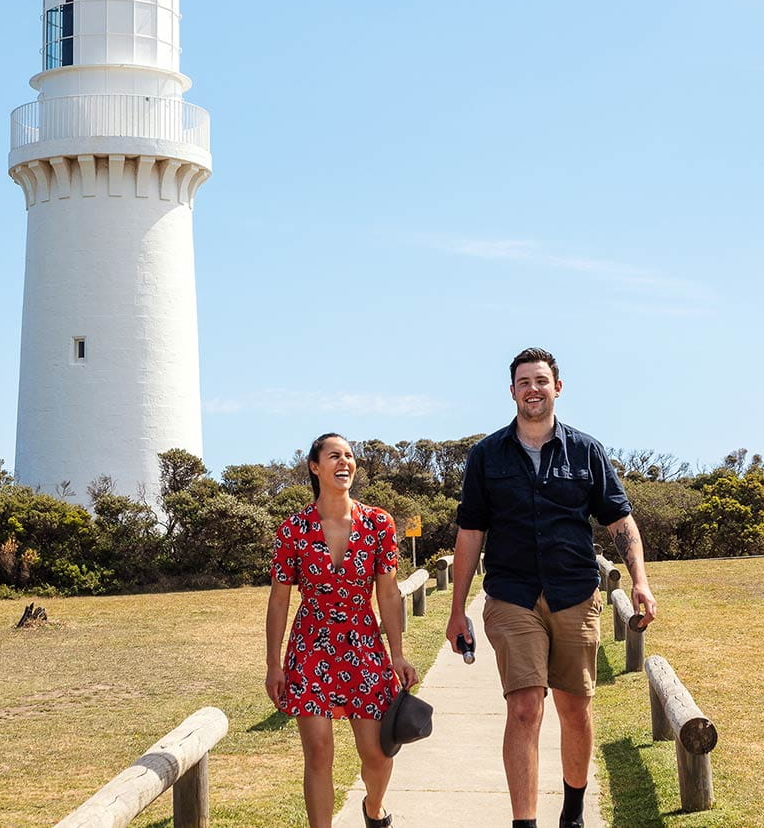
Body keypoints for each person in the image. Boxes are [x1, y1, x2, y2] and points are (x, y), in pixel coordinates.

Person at [445, 347, 656, 828]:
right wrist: (458, 610)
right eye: (524, 382)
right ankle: (525, 823)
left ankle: (574, 811)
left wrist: (640, 581)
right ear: (512, 391)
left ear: (557, 387)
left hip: (574, 593)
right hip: (512, 596)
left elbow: (619, 520)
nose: (533, 389)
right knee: (524, 708)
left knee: (575, 708)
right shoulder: (486, 456)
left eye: (541, 381)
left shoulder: (586, 451)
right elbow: (471, 533)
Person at [267, 432, 421, 828]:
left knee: (377, 754)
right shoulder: (293, 529)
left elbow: (387, 595)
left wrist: (397, 654)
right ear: (315, 467)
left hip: (363, 644)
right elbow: (280, 600)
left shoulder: (378, 524)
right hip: (311, 646)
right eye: (334, 455)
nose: (344, 462)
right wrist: (273, 664)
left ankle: (373, 809)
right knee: (318, 753)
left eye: (349, 456)